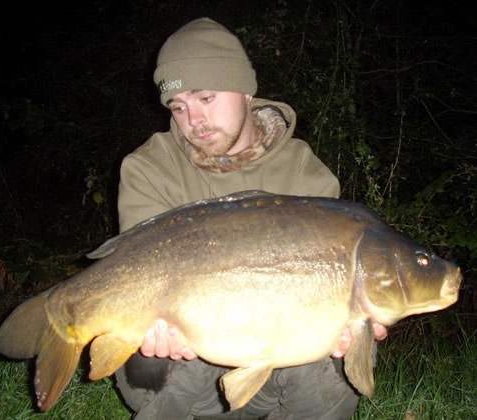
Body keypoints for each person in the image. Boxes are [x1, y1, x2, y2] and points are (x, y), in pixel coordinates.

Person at [115, 17, 386, 420]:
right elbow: (138, 274)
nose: (194, 121)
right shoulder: (149, 169)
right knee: (146, 359)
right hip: (192, 364)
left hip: (278, 370)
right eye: (179, 107)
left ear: (245, 89)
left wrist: (348, 326)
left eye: (206, 98)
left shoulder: (303, 172)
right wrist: (151, 323)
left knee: (337, 357)